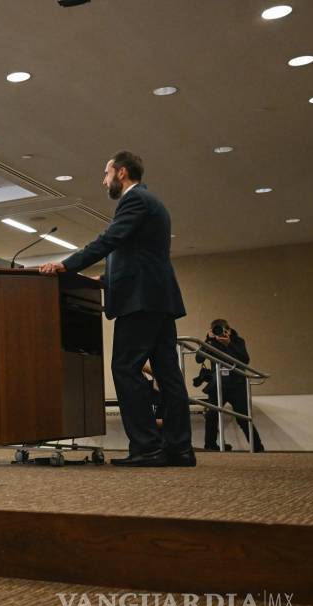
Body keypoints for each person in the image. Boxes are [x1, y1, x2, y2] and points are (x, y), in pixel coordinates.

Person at [40, 150, 192, 467]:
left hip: (141, 301)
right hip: (157, 298)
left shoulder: (135, 200)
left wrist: (66, 266)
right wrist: (106, 278)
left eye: (106, 173)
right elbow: (140, 256)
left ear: (121, 173)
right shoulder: (153, 203)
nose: (104, 180)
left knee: (125, 368)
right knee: (168, 374)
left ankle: (147, 448)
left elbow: (109, 239)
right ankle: (179, 449)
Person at [196, 319, 265, 452]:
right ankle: (210, 445)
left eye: (222, 329)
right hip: (217, 384)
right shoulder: (211, 342)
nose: (220, 332)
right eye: (215, 329)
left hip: (237, 384)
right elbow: (199, 359)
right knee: (211, 415)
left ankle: (257, 447)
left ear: (229, 329)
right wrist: (207, 340)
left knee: (243, 417)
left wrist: (229, 344)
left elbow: (245, 360)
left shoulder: (237, 341)